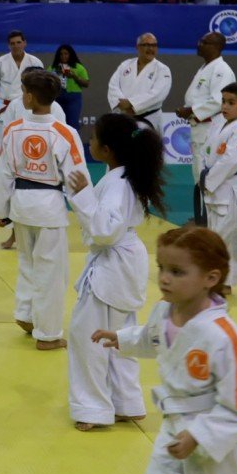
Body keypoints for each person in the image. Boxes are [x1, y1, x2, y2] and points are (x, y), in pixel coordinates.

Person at [92, 227, 237, 474]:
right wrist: (122, 338)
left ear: (211, 278)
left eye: (177, 272)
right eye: (162, 268)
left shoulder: (226, 338)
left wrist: (198, 436)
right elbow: (153, 338)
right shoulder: (164, 310)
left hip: (222, 440)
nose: (164, 279)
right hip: (175, 424)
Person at [66, 114, 166, 431]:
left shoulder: (118, 183)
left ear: (107, 150)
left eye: (94, 138)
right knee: (119, 338)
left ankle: (93, 409)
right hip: (122, 263)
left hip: (113, 265)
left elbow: (106, 231)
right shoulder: (123, 177)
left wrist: (82, 196)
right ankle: (126, 402)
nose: (90, 142)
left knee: (89, 337)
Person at [0, 69, 90, 350]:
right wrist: (89, 218)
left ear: (30, 97)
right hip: (49, 208)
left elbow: (4, 173)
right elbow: (77, 179)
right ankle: (48, 334)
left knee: (27, 263)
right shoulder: (64, 133)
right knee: (51, 272)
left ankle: (26, 314)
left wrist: (0, 210)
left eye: (23, 91)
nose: (22, 96)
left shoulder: (13, 130)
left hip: (21, 206)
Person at [201, 83, 237, 292]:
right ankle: (213, 277)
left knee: (230, 237)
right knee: (214, 235)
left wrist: (208, 182)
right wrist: (205, 181)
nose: (225, 106)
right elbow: (209, 155)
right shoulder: (219, 124)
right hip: (215, 187)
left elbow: (231, 160)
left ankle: (225, 281)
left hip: (230, 188)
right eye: (223, 101)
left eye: (231, 102)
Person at [176, 32, 236, 219]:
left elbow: (220, 101)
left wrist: (191, 110)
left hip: (210, 129)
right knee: (199, 173)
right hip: (200, 128)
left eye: (204, 42)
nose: (199, 44)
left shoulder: (221, 70)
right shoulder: (206, 67)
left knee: (207, 174)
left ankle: (209, 216)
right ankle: (203, 214)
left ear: (217, 46)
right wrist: (189, 110)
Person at [106, 32, 172, 134]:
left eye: (154, 45)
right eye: (146, 45)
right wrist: (120, 103)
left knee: (146, 149)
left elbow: (158, 94)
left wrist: (132, 104)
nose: (150, 49)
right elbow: (113, 85)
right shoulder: (126, 65)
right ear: (137, 47)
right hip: (124, 117)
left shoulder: (162, 69)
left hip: (149, 118)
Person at [0, 30, 44, 143]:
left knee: (27, 140)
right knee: (3, 142)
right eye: (12, 43)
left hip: (28, 106)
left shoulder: (35, 62)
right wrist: (4, 99)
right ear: (8, 45)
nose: (16, 46)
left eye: (18, 42)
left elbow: (41, 85)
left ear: (25, 43)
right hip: (6, 105)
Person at [48, 44, 90, 131]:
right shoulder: (52, 68)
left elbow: (86, 83)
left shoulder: (78, 67)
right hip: (57, 97)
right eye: (61, 54)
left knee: (72, 124)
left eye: (66, 53)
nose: (63, 56)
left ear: (71, 54)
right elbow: (45, 82)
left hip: (73, 98)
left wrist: (74, 76)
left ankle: (73, 143)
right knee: (57, 123)